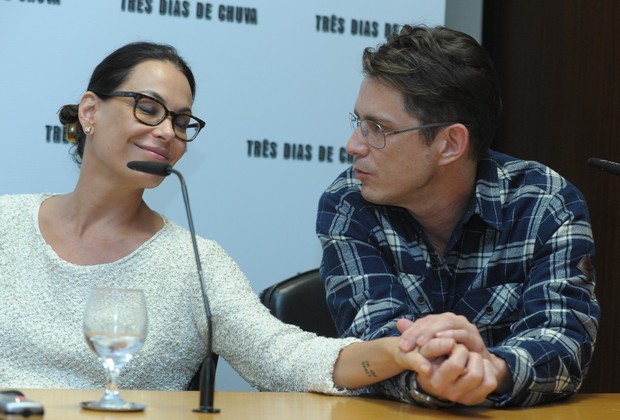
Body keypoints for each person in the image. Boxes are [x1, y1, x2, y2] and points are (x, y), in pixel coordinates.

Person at [0, 41, 432, 394]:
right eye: (148, 109)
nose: (168, 132)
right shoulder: (6, 221)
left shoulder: (194, 263)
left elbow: (286, 357)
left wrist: (397, 351)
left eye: (182, 121)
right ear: (90, 111)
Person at [316, 24, 600, 408]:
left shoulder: (546, 203)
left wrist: (491, 369)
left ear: (450, 144)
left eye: (378, 129)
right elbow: (373, 341)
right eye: (359, 123)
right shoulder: (349, 202)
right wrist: (439, 374)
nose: (354, 145)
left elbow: (564, 340)